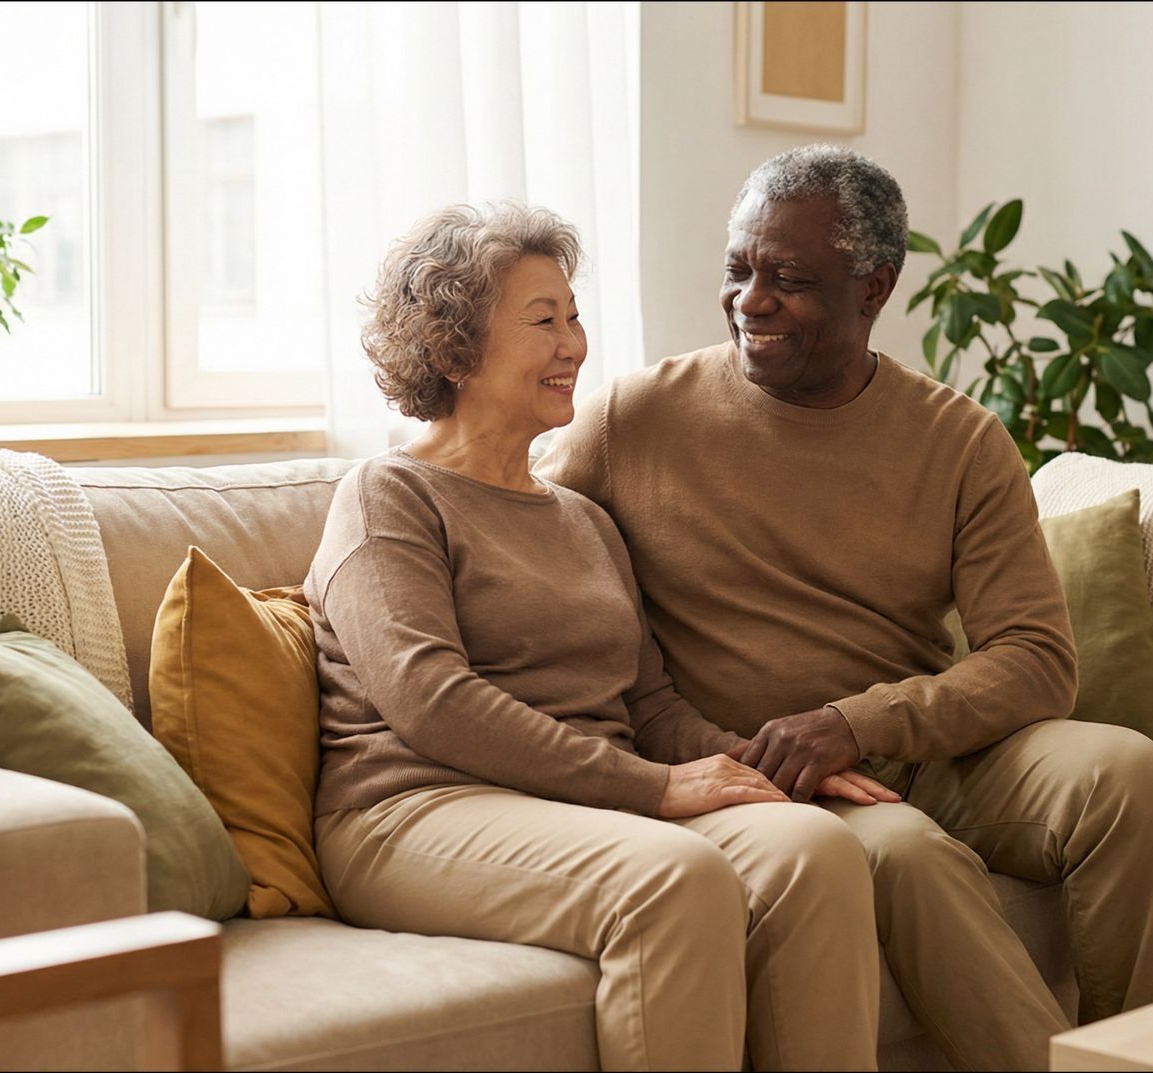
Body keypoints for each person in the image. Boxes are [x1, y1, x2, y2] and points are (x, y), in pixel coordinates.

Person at [538, 145, 1153, 1072]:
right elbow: (511, 529)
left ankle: (1150, 1052)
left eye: (791, 280)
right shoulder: (633, 418)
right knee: (903, 853)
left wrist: (857, 722)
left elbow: (1039, 658)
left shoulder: (958, 439)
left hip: (929, 748)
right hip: (766, 776)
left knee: (1126, 772)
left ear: (873, 287)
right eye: (737, 269)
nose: (750, 301)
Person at [306, 202, 889, 1072]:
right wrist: (654, 789)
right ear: (455, 347)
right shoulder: (388, 495)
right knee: (674, 878)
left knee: (814, 849)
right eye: (544, 320)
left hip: (575, 801)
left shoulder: (581, 516)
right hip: (413, 809)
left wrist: (763, 766)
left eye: (575, 317)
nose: (574, 342)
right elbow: (431, 699)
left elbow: (646, 702)